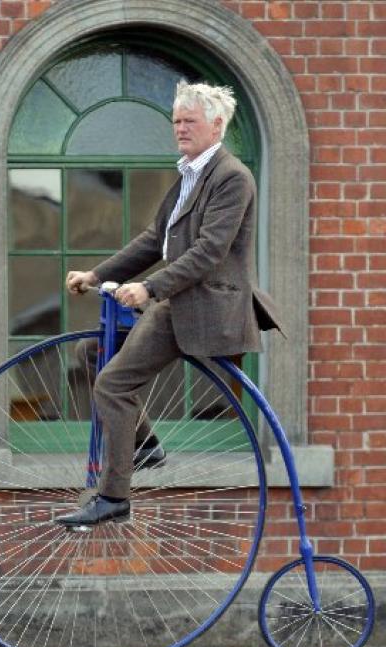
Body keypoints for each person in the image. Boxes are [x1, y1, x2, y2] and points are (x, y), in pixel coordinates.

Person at [56, 80, 284, 527]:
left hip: (201, 306)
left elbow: (209, 251)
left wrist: (152, 288)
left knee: (114, 384)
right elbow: (152, 239)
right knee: (91, 356)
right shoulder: (189, 173)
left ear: (216, 125)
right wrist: (99, 275)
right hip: (178, 302)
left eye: (189, 121)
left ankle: (114, 498)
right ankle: (145, 447)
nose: (179, 128)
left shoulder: (232, 177)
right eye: (176, 121)